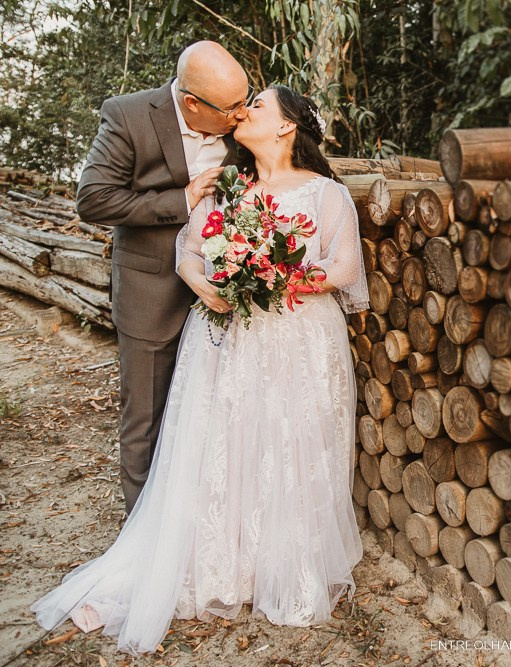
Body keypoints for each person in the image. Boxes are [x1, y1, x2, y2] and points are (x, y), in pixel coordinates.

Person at [32, 85, 367, 655]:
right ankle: (222, 557)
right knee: (226, 438)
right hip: (226, 333)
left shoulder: (326, 193)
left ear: (287, 127)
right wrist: (207, 285)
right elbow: (188, 251)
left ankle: (280, 558)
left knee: (289, 441)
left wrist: (274, 280)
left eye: (257, 106)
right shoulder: (227, 187)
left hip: (300, 337)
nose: (244, 113)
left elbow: (345, 265)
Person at [76, 41, 251, 513]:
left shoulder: (242, 125)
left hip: (226, 294)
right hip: (150, 292)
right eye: (232, 108)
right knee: (146, 422)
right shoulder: (129, 115)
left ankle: (196, 529)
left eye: (245, 101)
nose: (242, 116)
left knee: (214, 417)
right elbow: (92, 199)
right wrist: (182, 200)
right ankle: (140, 539)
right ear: (192, 102)